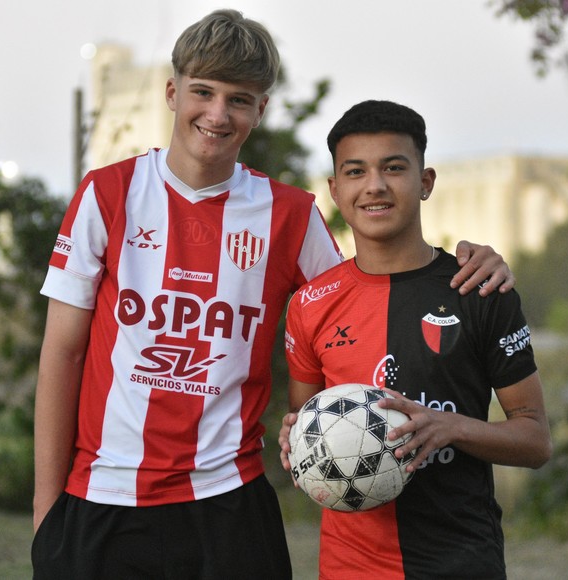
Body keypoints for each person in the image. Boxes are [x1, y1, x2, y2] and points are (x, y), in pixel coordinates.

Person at [32, 10, 515, 579]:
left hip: (229, 500)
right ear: (171, 92)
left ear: (260, 110)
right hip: (103, 497)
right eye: (203, 92)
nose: (217, 114)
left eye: (239, 99)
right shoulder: (107, 194)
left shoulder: (291, 214)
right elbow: (62, 353)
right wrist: (46, 508)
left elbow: (365, 292)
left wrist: (463, 262)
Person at [280, 99, 553, 579]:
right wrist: (294, 442)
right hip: (349, 567)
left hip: (461, 561)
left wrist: (452, 427)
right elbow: (302, 424)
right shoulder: (310, 305)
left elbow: (535, 441)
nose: (375, 186)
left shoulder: (480, 289)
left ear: (425, 182)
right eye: (356, 171)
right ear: (335, 190)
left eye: (394, 168)